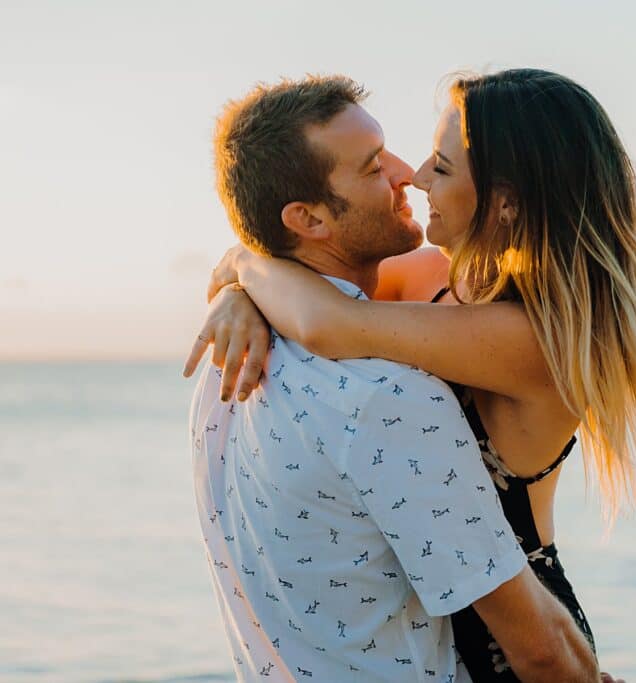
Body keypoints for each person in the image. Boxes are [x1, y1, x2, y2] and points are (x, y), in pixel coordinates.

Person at [187, 75, 600, 683]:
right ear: (307, 218)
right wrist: (242, 283)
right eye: (376, 165)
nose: (412, 175)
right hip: (515, 640)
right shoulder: (389, 386)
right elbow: (331, 317)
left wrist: (244, 268)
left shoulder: (223, 379)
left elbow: (334, 318)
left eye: (440, 164)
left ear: (506, 201)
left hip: (519, 633)